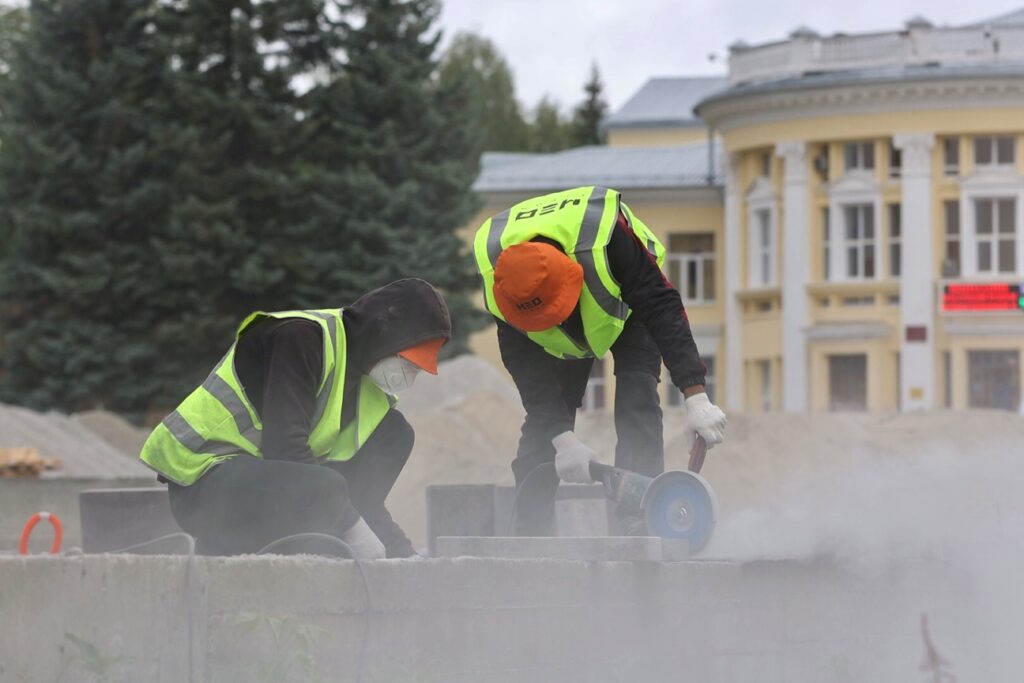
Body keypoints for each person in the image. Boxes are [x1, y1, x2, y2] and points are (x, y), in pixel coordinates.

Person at [473, 186, 727, 535]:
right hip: (557, 338)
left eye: (557, 313)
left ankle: (639, 527)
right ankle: (529, 537)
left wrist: (695, 394)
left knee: (637, 398)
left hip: (627, 304)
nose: (557, 322)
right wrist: (563, 440)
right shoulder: (502, 285)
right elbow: (529, 374)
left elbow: (662, 307)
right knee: (542, 430)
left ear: (572, 277)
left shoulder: (607, 241)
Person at [140, 278, 451, 558]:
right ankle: (224, 546)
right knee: (325, 490)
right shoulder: (300, 337)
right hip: (205, 484)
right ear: (384, 330)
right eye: (408, 364)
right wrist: (352, 529)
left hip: (272, 484)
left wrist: (399, 551)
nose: (409, 376)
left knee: (395, 434)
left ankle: (309, 543)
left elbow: (361, 496)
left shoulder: (367, 387)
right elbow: (286, 452)